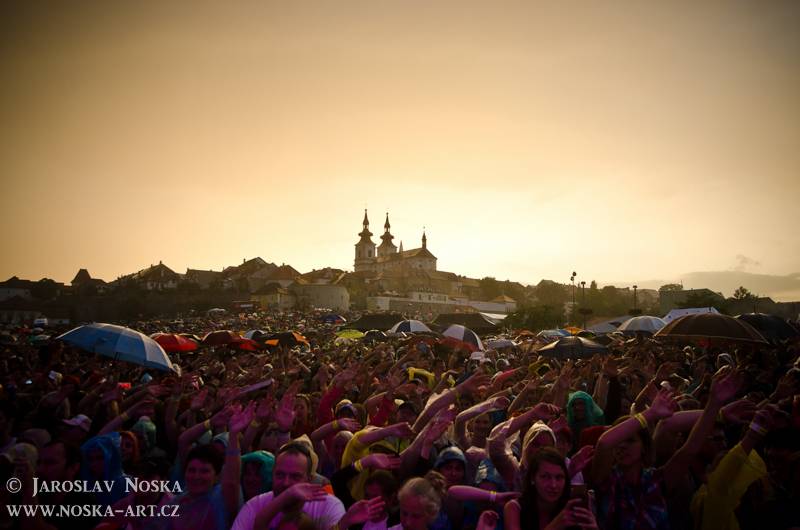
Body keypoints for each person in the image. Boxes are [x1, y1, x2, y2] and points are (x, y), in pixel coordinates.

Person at [504, 448, 596, 530]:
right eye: (545, 477)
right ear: (532, 478)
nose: (553, 485)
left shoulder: (571, 506)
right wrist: (555, 525)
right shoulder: (515, 508)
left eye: (559, 477)